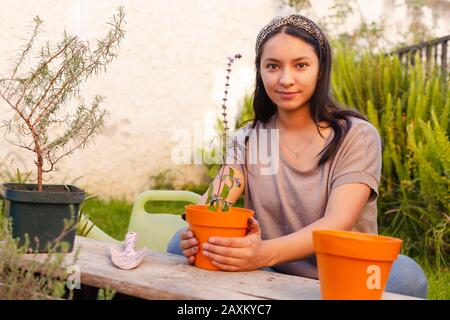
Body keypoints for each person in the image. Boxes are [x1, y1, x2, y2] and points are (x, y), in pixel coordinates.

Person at [167, 14, 428, 299]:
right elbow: (215, 203)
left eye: (300, 65)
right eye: (273, 66)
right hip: (271, 270)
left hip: (341, 272)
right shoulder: (249, 139)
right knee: (175, 244)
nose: (285, 79)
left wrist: (262, 254)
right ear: (260, 71)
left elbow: (337, 222)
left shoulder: (356, 136)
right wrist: (196, 233)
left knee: (408, 277)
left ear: (320, 69)